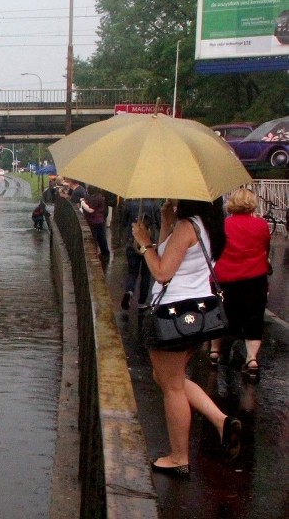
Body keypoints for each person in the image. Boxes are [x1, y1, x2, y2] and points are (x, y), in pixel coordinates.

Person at [132, 198, 241, 476]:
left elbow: (161, 272)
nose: (172, 197)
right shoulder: (207, 226)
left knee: (173, 388)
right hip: (197, 315)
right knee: (169, 379)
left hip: (172, 317)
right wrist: (165, 222)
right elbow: (169, 256)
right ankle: (221, 420)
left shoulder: (187, 227)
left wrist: (144, 243)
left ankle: (179, 457)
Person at [210, 188, 271, 380]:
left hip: (224, 279)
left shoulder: (223, 225)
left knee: (220, 315)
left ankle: (214, 352)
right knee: (254, 318)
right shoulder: (261, 225)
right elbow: (265, 248)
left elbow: (214, 251)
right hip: (254, 279)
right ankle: (252, 359)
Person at [121, 199, 161, 310]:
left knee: (132, 272)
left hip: (132, 242)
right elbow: (160, 223)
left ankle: (129, 291)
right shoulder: (155, 205)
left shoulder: (129, 204)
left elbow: (124, 222)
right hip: (148, 244)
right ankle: (141, 302)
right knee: (146, 274)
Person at [79, 186, 109, 256]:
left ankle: (95, 252)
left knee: (93, 238)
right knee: (101, 237)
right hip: (99, 220)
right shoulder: (99, 196)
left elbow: (90, 210)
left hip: (93, 221)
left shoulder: (95, 198)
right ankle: (105, 252)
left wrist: (83, 203)